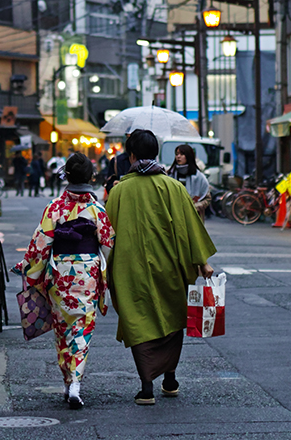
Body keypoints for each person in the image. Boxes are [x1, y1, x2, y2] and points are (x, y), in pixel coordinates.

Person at [105, 129, 216, 405]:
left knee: (138, 320)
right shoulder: (174, 188)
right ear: (156, 154)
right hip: (171, 267)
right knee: (171, 320)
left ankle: (146, 386)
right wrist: (202, 262)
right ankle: (170, 376)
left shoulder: (119, 192)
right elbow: (191, 228)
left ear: (130, 156)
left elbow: (105, 233)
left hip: (131, 270)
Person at [14, 153, 115, 409]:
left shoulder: (54, 208)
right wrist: (103, 269)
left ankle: (68, 381)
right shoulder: (97, 209)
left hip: (60, 273)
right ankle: (76, 383)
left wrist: (27, 268)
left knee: (62, 329)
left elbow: (40, 246)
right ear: (92, 177)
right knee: (82, 328)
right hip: (87, 273)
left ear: (66, 176)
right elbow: (108, 245)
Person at [167, 144, 211, 220]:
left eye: (182, 154)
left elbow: (207, 198)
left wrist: (195, 207)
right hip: (173, 216)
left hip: (193, 217)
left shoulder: (199, 177)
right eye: (177, 154)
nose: (178, 156)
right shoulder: (170, 175)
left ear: (189, 156)